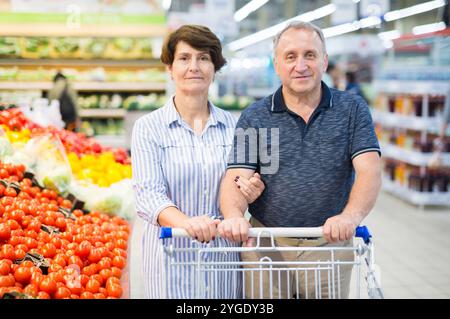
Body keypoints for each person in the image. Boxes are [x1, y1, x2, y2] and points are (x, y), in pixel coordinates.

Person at [218, 21, 382, 299]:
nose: (301, 65)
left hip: (328, 243)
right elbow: (237, 175)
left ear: (324, 61)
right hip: (266, 246)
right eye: (290, 56)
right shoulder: (255, 116)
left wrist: (350, 216)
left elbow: (369, 171)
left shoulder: (351, 109)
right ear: (277, 64)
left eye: (310, 55)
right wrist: (234, 216)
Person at [131, 25, 265, 299]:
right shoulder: (148, 127)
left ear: (215, 67)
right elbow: (148, 195)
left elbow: (247, 182)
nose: (194, 66)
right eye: (184, 58)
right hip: (170, 255)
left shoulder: (237, 126)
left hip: (223, 256)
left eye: (203, 58)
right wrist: (187, 223)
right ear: (169, 67)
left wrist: (253, 192)